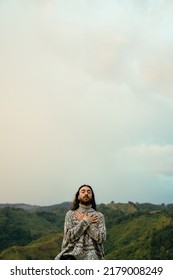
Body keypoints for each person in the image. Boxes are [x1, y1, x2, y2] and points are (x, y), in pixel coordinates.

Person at [55, 184, 106, 260]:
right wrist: (85, 221)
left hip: (94, 257)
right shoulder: (70, 215)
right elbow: (69, 237)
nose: (86, 193)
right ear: (78, 197)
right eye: (83, 191)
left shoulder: (99, 216)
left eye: (89, 192)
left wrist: (86, 222)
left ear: (92, 197)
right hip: (72, 256)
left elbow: (101, 238)